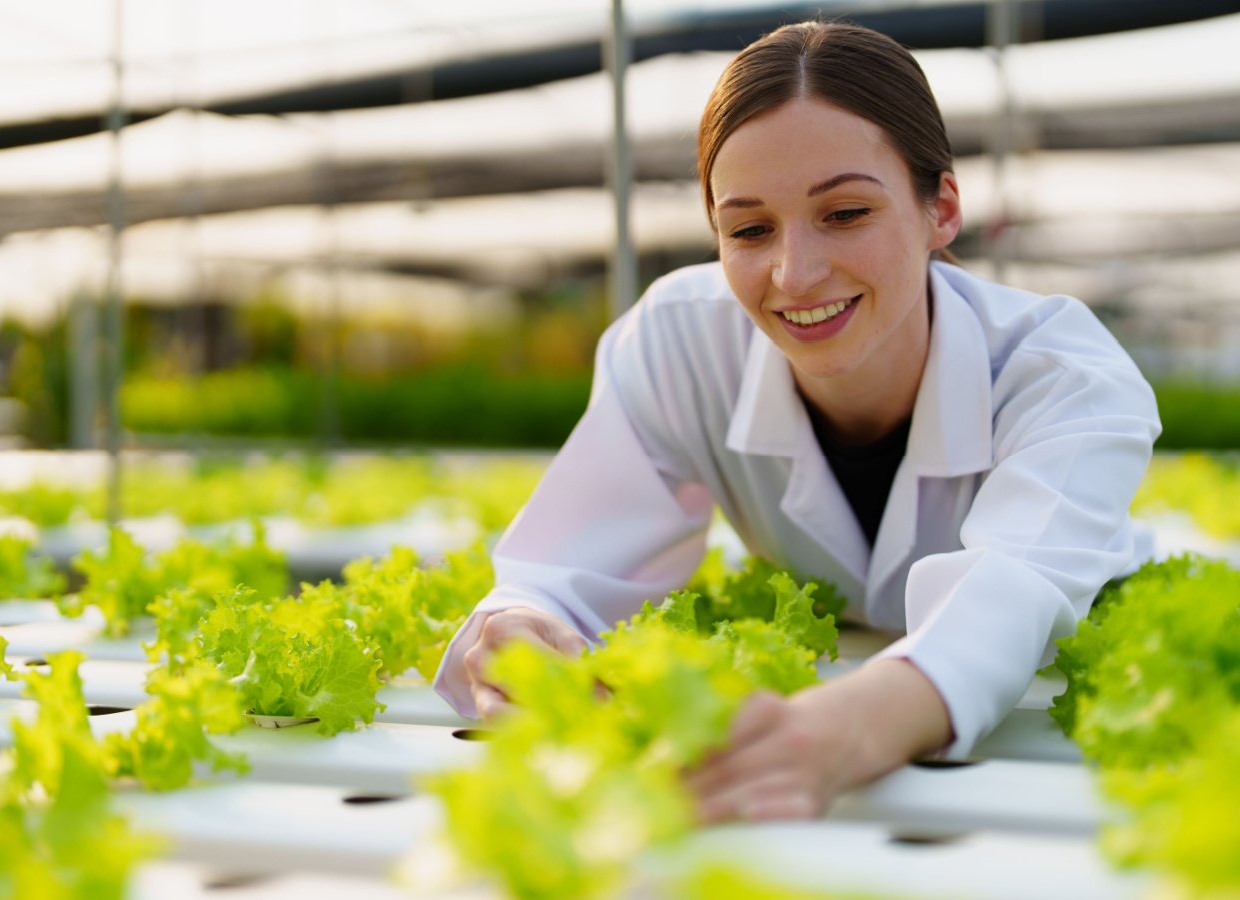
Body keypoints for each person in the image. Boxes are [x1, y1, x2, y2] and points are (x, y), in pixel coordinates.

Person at [434, 20, 1159, 823]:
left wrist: (834, 735)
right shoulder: (680, 340)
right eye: (749, 229)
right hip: (833, 687)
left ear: (941, 208)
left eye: (845, 213)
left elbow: (1008, 603)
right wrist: (519, 635)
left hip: (1058, 717)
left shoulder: (1059, 373)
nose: (795, 272)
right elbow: (560, 574)